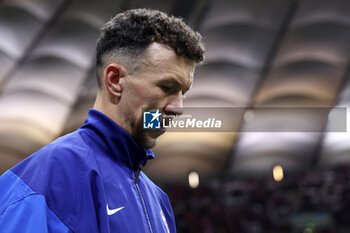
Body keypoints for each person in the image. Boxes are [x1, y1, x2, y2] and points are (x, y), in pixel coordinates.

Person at [0, 8, 204, 233]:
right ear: (115, 80)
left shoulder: (158, 202)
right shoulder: (42, 182)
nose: (178, 107)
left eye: (183, 92)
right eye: (167, 87)